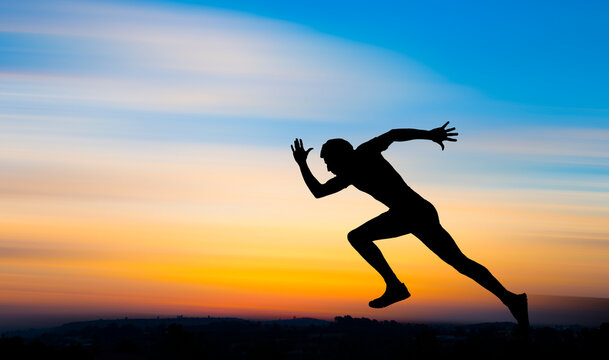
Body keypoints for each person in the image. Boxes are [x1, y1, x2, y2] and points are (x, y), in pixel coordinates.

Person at [291, 122, 529, 330]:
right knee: (460, 262)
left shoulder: (364, 153)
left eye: (328, 162)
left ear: (340, 154)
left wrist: (430, 135)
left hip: (413, 212)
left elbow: (393, 134)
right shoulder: (349, 174)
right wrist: (302, 164)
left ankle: (395, 287)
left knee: (358, 237)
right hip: (414, 212)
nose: (328, 168)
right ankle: (511, 299)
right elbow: (319, 192)